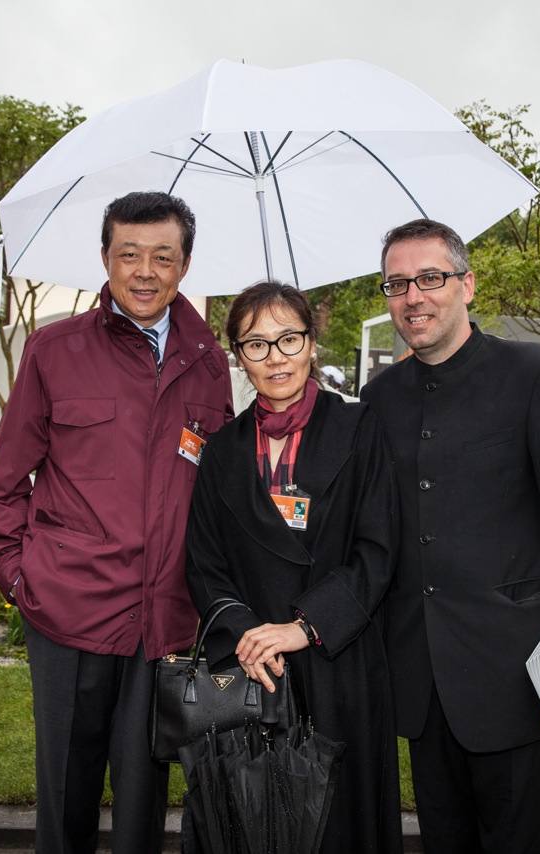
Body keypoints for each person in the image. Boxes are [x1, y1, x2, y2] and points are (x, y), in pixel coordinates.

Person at [0, 192, 233, 854]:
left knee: (143, 811)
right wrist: (22, 580)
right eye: (129, 255)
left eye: (163, 256)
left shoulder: (208, 360)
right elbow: (3, 487)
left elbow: (217, 492)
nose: (145, 271)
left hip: (164, 626)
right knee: (66, 800)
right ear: (105, 259)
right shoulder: (53, 350)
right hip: (68, 616)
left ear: (185, 264)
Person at [360, 219, 540, 854]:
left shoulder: (537, 377)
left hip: (517, 679)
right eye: (397, 283)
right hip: (421, 679)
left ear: (467, 285)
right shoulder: (380, 397)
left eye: (430, 278)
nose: (413, 296)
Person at [184, 281, 403, 853]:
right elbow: (204, 563)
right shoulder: (222, 451)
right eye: (256, 344)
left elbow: (378, 551)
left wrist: (303, 627)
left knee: (336, 829)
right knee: (248, 823)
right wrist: (250, 636)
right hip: (253, 667)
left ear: (312, 344)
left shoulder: (360, 430)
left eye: (288, 339)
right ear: (238, 356)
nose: (275, 357)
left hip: (339, 662)